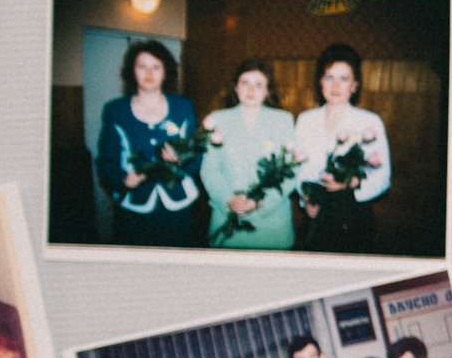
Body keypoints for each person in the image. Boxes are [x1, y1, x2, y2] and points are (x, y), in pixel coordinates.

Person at [96, 37, 205, 248]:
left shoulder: (183, 106)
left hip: (178, 204)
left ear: (166, 72)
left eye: (156, 67)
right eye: (142, 67)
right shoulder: (115, 110)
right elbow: (106, 160)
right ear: (132, 71)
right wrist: (122, 178)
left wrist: (181, 159)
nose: (149, 73)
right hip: (134, 206)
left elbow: (198, 156)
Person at [295, 45, 392, 254]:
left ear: (355, 85)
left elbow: (383, 177)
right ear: (320, 82)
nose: (335, 85)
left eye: (344, 79)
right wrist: (306, 198)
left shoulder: (369, 122)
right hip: (316, 217)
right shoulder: (306, 120)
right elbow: (298, 169)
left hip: (353, 214)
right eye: (329, 77)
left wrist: (352, 182)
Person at [199, 57, 300, 250]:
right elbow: (209, 170)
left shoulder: (283, 120)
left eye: (258, 84)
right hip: (228, 217)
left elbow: (291, 171)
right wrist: (228, 199)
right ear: (236, 88)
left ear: (267, 90)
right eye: (245, 83)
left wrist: (260, 201)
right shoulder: (218, 119)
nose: (251, 90)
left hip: (272, 223)